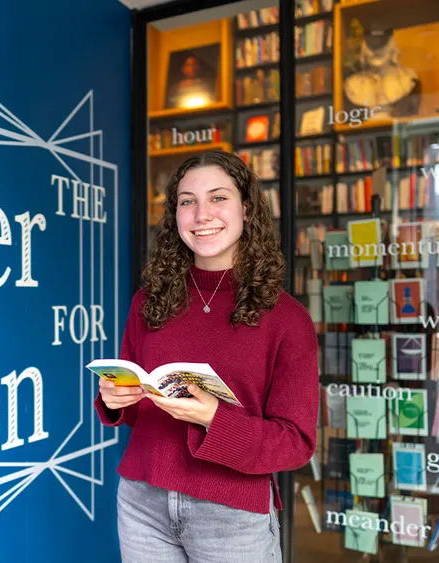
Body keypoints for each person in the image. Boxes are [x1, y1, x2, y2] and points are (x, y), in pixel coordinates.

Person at [95, 150, 319, 562]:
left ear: (246, 209)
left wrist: (214, 419)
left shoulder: (287, 318)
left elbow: (296, 443)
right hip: (143, 500)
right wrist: (115, 400)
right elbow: (134, 407)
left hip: (231, 511)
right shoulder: (149, 301)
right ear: (174, 214)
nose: (201, 214)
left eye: (218, 198)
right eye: (187, 201)